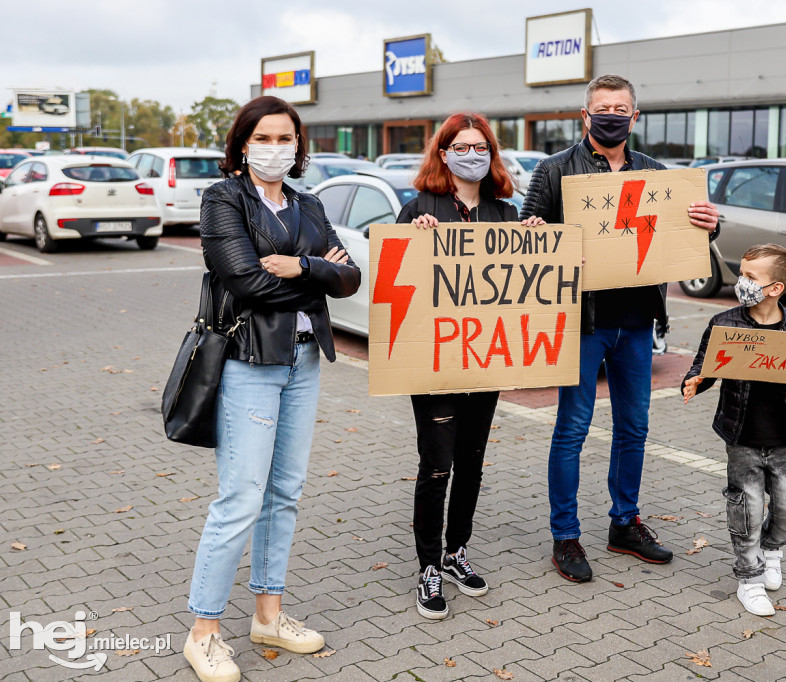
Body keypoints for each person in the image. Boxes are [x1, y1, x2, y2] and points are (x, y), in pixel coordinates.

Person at [184, 95, 361, 682]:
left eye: (286, 138)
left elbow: (350, 277)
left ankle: (269, 614)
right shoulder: (222, 199)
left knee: (284, 491)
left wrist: (304, 268)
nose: (276, 147)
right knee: (241, 497)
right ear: (242, 144)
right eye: (264, 137)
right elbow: (244, 280)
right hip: (249, 362)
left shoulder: (308, 205)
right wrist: (316, 275)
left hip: (302, 361)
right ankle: (203, 631)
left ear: (298, 146)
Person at [520, 74, 720, 582]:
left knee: (634, 429)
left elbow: (684, 238)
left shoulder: (657, 176)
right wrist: (534, 234)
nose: (612, 114)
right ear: (585, 116)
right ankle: (565, 536)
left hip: (637, 325)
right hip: (582, 324)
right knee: (572, 430)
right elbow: (525, 237)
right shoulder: (554, 170)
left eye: (621, 107)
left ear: (636, 117)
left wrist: (710, 224)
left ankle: (624, 523)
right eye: (602, 107)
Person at [397, 112, 546, 619]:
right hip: (435, 362)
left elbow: (531, 289)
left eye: (480, 146)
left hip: (484, 361)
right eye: (460, 146)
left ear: (492, 155)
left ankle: (457, 552)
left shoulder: (507, 216)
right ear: (442, 154)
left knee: (472, 464)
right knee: (436, 466)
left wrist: (538, 242)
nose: (471, 154)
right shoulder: (418, 210)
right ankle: (428, 567)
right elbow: (398, 284)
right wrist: (416, 238)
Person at [681, 244, 786, 617]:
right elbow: (704, 366)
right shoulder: (724, 323)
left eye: (750, 277)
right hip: (742, 435)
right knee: (745, 509)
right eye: (741, 273)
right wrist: (695, 381)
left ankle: (772, 549)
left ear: (775, 288)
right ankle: (749, 578)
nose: (741, 282)